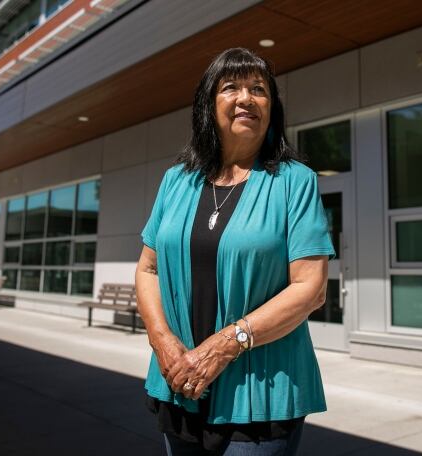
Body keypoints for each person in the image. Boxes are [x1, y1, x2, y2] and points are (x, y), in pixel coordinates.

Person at [135, 48, 335, 455]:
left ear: (271, 108)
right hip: (178, 379)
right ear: (209, 105)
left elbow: (310, 287)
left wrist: (225, 344)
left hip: (259, 393)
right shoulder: (176, 181)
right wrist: (164, 343)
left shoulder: (295, 182)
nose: (246, 98)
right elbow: (148, 269)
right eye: (231, 87)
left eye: (258, 89)